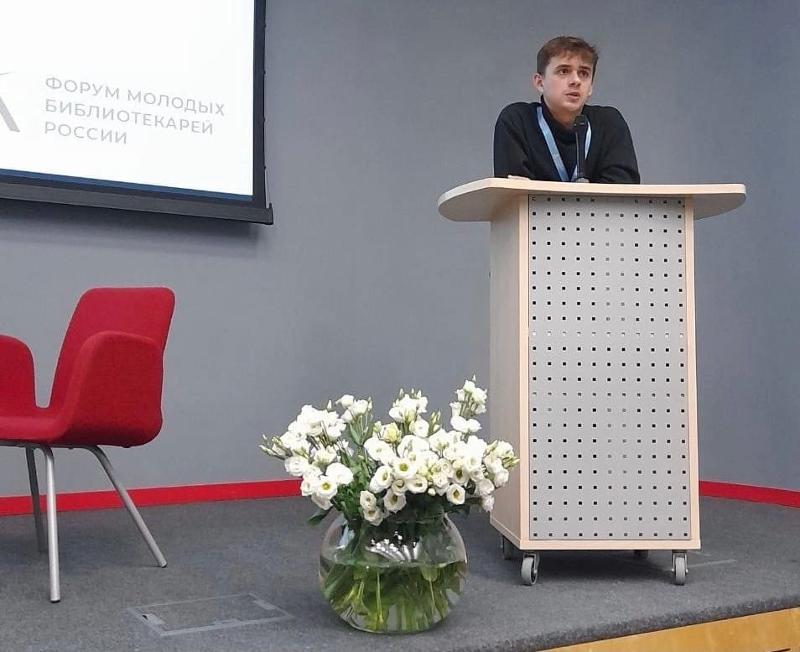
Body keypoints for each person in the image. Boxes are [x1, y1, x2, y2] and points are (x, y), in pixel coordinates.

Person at [494, 36, 639, 183]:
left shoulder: (609, 123)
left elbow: (623, 190)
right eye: (563, 71)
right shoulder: (517, 121)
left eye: (584, 73)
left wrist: (538, 190)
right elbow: (515, 192)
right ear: (540, 82)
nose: (576, 81)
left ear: (590, 87)